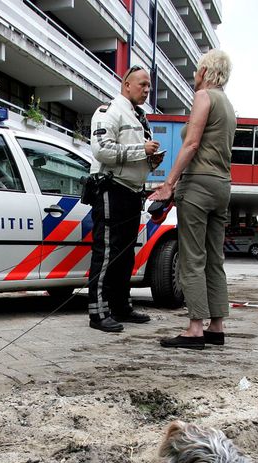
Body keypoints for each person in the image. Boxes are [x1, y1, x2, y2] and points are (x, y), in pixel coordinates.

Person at [149, 50, 235, 350]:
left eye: (197, 71)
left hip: (198, 184)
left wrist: (168, 184)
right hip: (223, 186)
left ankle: (195, 328)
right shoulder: (229, 106)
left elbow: (192, 143)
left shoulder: (204, 97)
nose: (194, 77)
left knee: (192, 258)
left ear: (205, 72)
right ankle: (217, 326)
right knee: (214, 257)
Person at [86, 65, 162, 333]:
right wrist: (141, 149)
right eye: (142, 84)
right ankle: (98, 312)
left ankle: (120, 306)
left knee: (125, 254)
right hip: (111, 188)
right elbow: (101, 149)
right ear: (125, 85)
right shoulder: (109, 111)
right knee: (107, 251)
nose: (146, 90)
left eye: (149, 86)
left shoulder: (139, 117)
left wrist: (150, 160)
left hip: (131, 191)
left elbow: (134, 155)